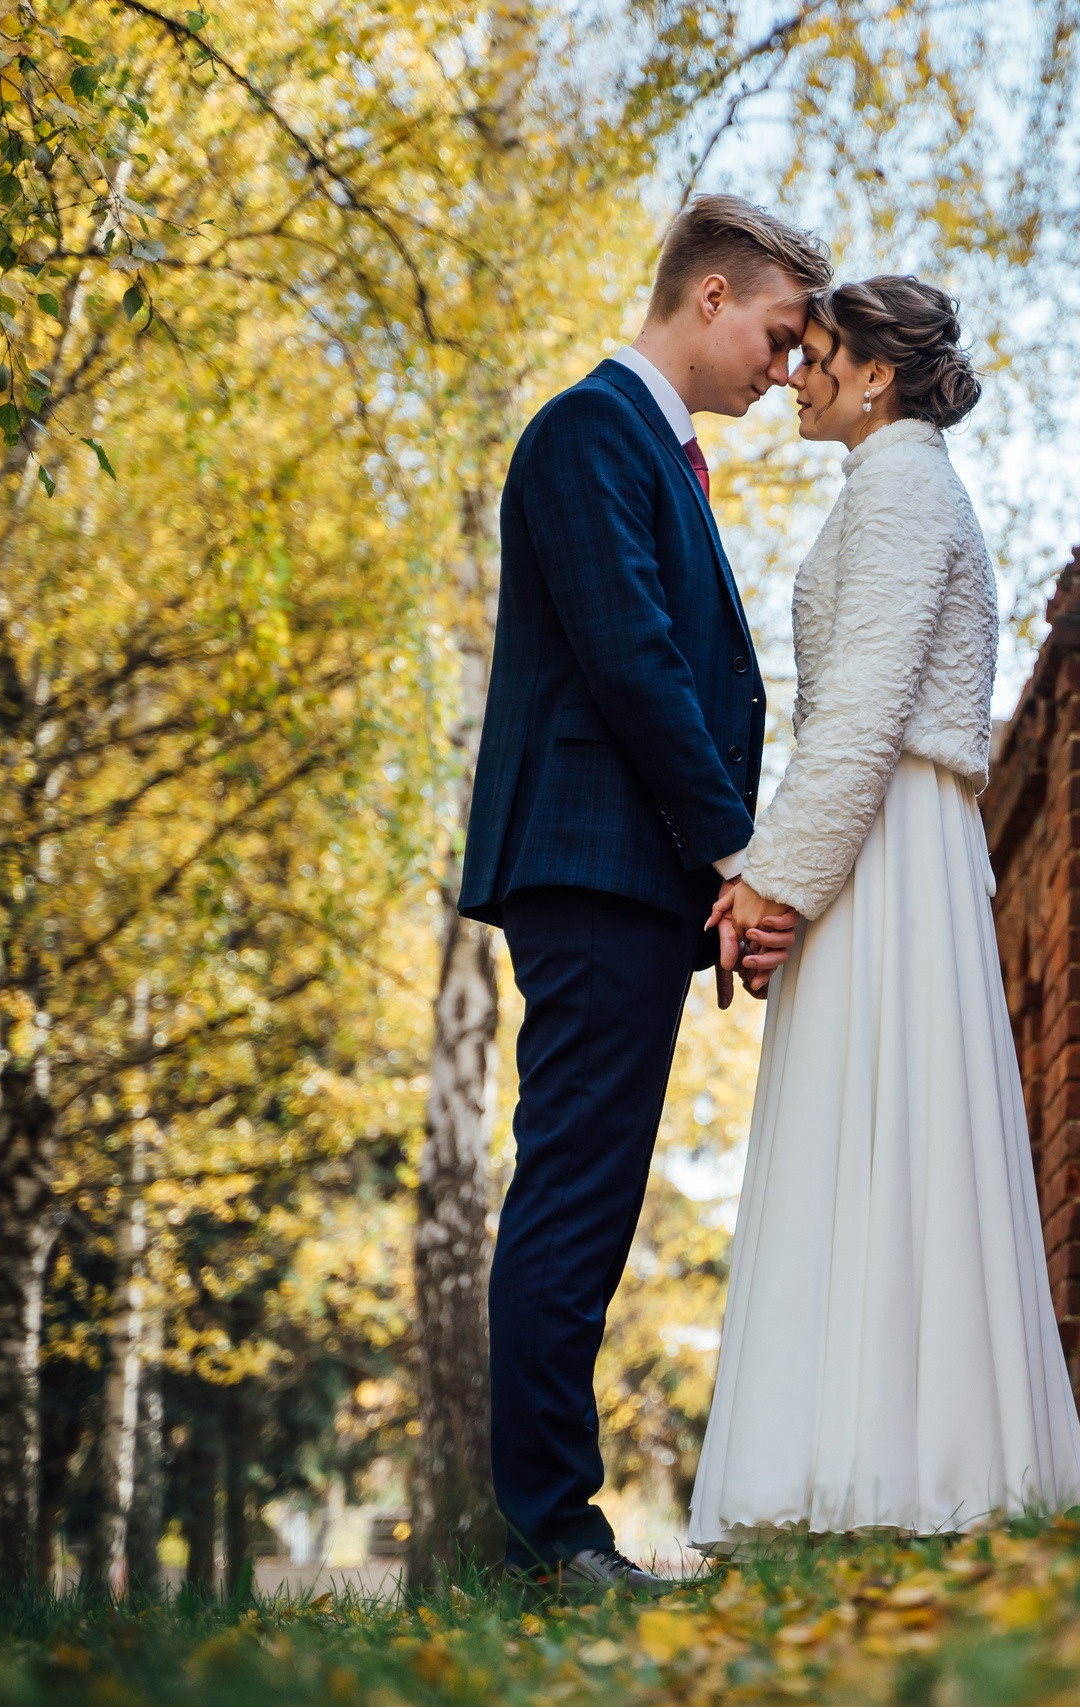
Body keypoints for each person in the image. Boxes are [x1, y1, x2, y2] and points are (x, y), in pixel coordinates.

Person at [686, 277, 1080, 1549]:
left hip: (891, 842)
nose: (796, 378)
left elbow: (859, 715)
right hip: (881, 839)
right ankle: (869, 1462)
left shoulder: (906, 492)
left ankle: (915, 1472)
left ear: (876, 377)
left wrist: (769, 884)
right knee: (875, 1144)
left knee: (895, 1137)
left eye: (816, 358)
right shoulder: (892, 488)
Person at [455, 194, 827, 1594]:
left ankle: (551, 1527)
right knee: (571, 1195)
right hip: (593, 871)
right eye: (782, 340)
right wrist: (734, 859)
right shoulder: (586, 433)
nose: (785, 373)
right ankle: (551, 1534)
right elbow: (633, 658)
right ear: (713, 295)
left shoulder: (648, 451)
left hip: (625, 878)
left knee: (589, 1195)